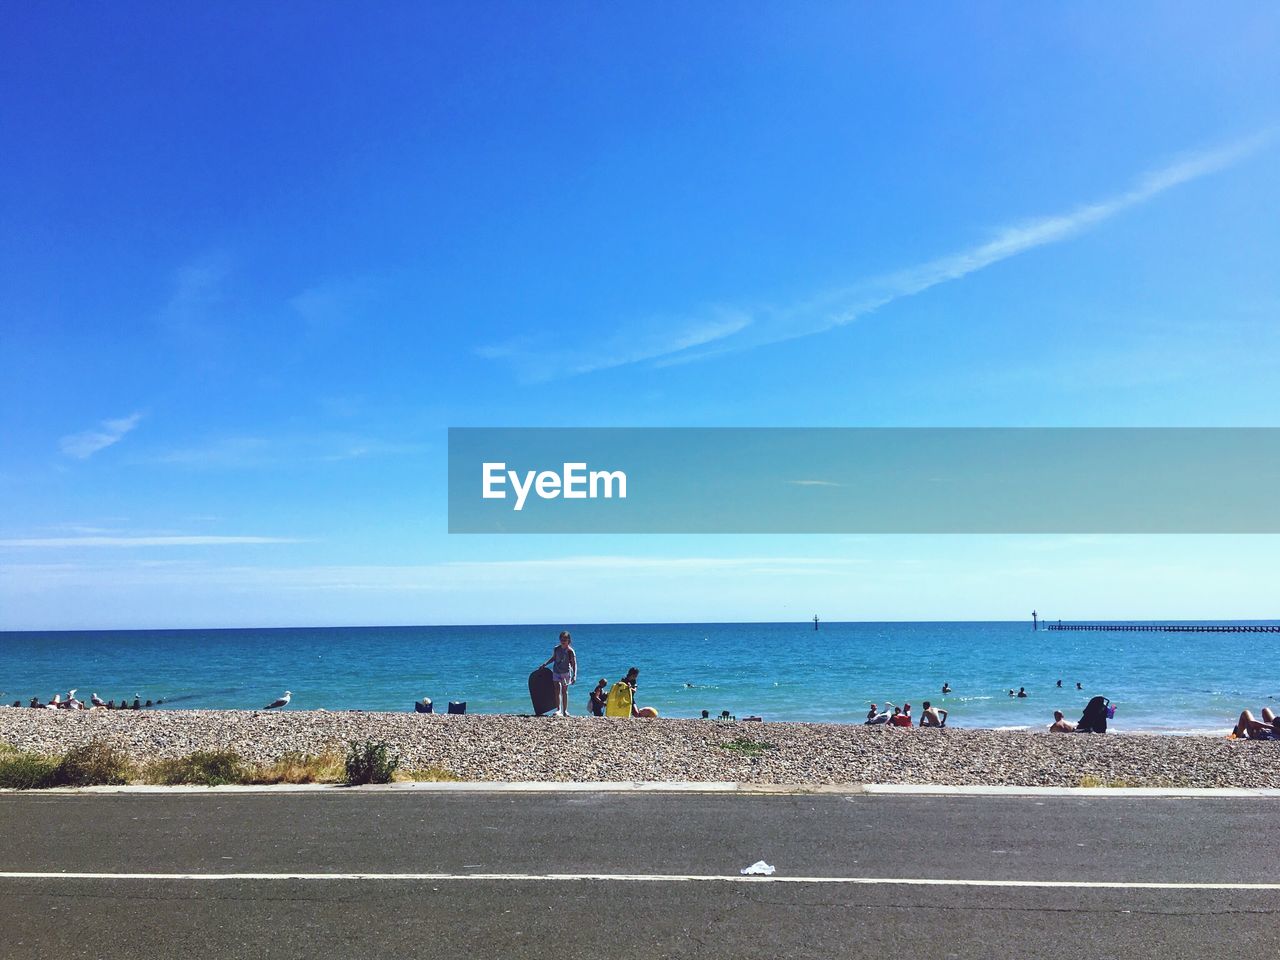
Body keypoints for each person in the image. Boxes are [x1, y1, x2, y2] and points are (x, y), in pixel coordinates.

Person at [539, 631, 578, 716]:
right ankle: (559, 710)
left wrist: (575, 675)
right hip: (556, 671)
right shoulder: (556, 648)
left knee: (564, 691)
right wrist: (545, 664)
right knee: (557, 690)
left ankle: (565, 711)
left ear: (569, 640)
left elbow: (574, 664)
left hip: (566, 673)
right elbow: (553, 658)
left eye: (565, 639)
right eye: (561, 639)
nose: (563, 641)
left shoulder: (570, 651)